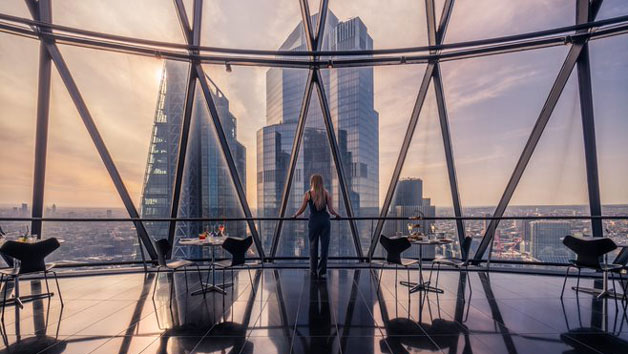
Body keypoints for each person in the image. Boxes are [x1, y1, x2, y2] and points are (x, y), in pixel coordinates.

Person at [292, 174, 340, 279]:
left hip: (314, 222)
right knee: (324, 248)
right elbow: (331, 211)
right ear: (321, 182)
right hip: (325, 222)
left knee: (313, 247)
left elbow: (302, 209)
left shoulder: (308, 194)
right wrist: (337, 215)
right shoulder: (326, 194)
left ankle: (313, 271)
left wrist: (295, 215)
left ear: (312, 182)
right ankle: (322, 271)